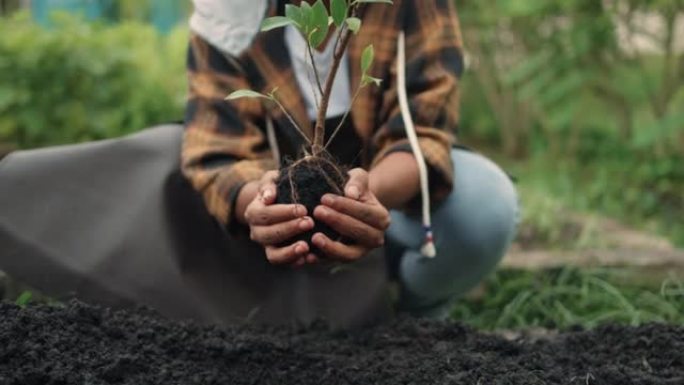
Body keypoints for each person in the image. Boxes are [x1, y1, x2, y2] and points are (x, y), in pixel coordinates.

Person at [183, 0, 519, 318]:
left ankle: (412, 316)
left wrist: (364, 196)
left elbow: (422, 133)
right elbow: (219, 151)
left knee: (483, 204)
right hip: (276, 222)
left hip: (388, 202)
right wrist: (264, 203)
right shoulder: (227, 13)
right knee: (170, 174)